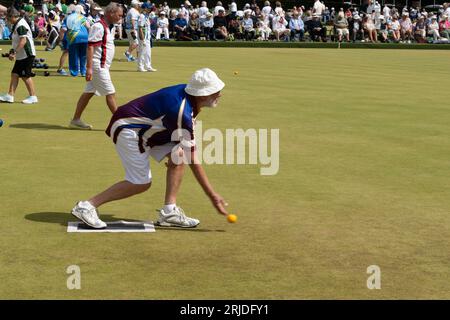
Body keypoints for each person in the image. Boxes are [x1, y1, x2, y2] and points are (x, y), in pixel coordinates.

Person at [71, 68, 229, 229]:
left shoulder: (189, 96)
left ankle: (169, 212)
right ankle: (87, 206)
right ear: (202, 94)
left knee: (178, 156)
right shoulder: (181, 110)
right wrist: (212, 195)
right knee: (141, 183)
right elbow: (193, 159)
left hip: (150, 129)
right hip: (129, 128)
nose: (219, 94)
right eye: (215, 91)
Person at [69, 2, 123, 129]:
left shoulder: (108, 26)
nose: (120, 18)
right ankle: (122, 123)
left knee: (88, 92)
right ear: (111, 13)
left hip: (102, 66)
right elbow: (90, 47)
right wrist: (89, 68)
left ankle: (76, 119)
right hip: (98, 66)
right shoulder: (99, 26)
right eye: (119, 15)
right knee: (111, 93)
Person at [0, 6, 38, 104]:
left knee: (25, 76)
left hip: (27, 54)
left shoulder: (20, 25)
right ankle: (10, 95)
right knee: (15, 74)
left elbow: (23, 41)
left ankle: (33, 96)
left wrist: (15, 53)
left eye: (8, 18)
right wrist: (13, 51)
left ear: (12, 16)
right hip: (22, 55)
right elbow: (17, 41)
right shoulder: (17, 24)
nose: (7, 21)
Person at [137, 2, 156, 72]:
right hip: (143, 37)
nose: (150, 9)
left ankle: (148, 66)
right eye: (148, 8)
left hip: (148, 37)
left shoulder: (147, 16)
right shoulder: (142, 16)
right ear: (145, 8)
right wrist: (142, 39)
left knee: (148, 52)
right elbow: (140, 28)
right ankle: (140, 66)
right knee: (142, 52)